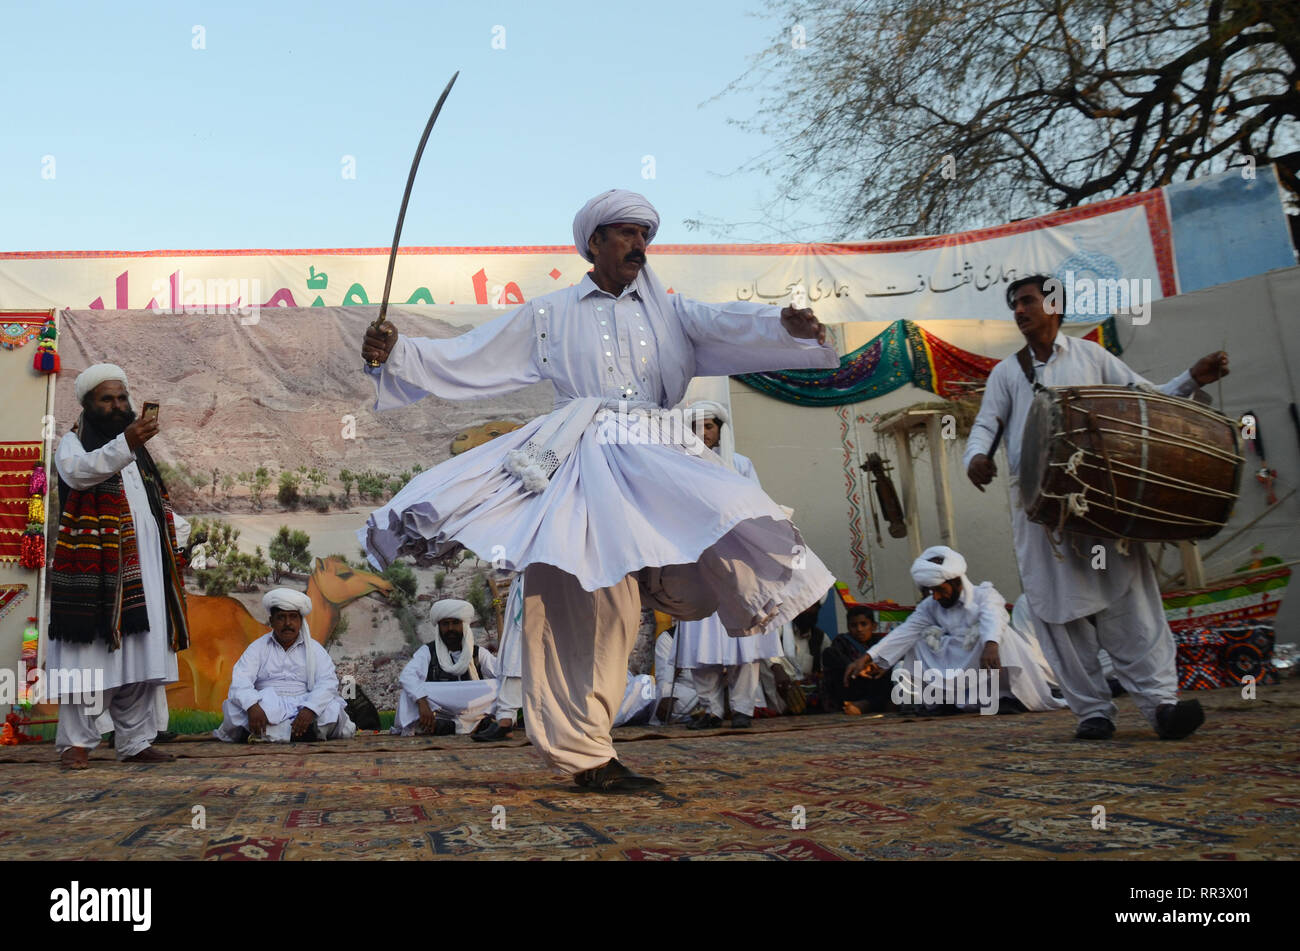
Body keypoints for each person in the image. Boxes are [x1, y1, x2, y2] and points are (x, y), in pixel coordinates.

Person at [358, 189, 837, 790]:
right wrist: (397, 354)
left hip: (659, 458)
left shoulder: (671, 311)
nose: (639, 245)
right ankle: (587, 754)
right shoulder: (551, 314)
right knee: (585, 603)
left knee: (727, 526)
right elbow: (472, 355)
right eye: (626, 234)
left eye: (645, 235)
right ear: (593, 243)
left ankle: (659, 581)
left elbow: (729, 324)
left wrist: (784, 328)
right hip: (582, 460)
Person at [963, 275, 1228, 739]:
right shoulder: (1007, 372)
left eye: (1027, 302)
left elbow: (1146, 400)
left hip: (1101, 505)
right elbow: (986, 425)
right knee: (1056, 608)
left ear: (1054, 306)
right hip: (1042, 516)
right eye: (1015, 305)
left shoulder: (1092, 356)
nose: (1020, 311)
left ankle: (1162, 706)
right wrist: (977, 457)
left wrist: (1192, 379)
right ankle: (1093, 713)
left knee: (1129, 601)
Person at [48, 365, 189, 769]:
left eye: (121, 398)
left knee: (143, 656)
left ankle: (136, 741)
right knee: (89, 658)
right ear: (88, 404)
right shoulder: (73, 444)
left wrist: (176, 535)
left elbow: (150, 507)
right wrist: (125, 442)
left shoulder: (136, 453)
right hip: (97, 573)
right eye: (106, 399)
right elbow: (80, 475)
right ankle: (75, 743)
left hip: (143, 570)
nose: (117, 405)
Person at [674, 400, 787, 730]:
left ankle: (742, 709)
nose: (703, 433)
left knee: (743, 640)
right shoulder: (679, 465)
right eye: (696, 427)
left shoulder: (740, 464)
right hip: (697, 562)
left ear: (719, 431)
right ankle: (710, 709)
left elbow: (756, 505)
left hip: (737, 563)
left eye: (708, 426)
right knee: (700, 640)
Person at [845, 546, 1066, 713]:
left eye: (941, 590)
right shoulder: (931, 605)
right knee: (918, 639)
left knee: (1000, 635)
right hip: (957, 661)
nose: (937, 597)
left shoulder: (984, 594)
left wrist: (991, 644)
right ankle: (942, 700)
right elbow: (905, 631)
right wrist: (868, 657)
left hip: (984, 657)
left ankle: (1005, 697)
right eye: (932, 592)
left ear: (958, 582)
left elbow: (994, 616)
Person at [213, 589, 355, 743]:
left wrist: (310, 709)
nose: (288, 623)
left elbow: (328, 682)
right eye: (281, 618)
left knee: (332, 708)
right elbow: (241, 680)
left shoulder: (314, 649)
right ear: (271, 621)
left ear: (300, 621)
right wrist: (253, 707)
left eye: (293, 617)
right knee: (235, 708)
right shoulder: (258, 647)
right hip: (266, 706)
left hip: (304, 703)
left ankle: (271, 734)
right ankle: (302, 734)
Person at [392, 598, 500, 736]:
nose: (450, 629)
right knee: (410, 692)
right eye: (445, 624)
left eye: (455, 623)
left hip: (472, 706)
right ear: (439, 627)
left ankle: (455, 726)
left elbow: (502, 674)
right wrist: (422, 702)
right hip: (440, 709)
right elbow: (408, 676)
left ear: (464, 626)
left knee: (502, 685)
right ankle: (474, 725)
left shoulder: (478, 653)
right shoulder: (428, 651)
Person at [822, 605, 893, 714]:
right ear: (848, 627)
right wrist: (857, 668)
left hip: (875, 685)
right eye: (854, 625)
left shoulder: (879, 642)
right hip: (852, 684)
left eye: (864, 624)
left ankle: (868, 704)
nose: (859, 629)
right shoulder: (842, 641)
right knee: (829, 653)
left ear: (873, 626)